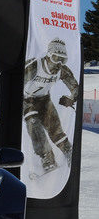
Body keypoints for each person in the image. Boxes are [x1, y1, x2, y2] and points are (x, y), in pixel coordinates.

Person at [23, 37, 78, 174]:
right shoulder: (35, 65)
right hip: (27, 99)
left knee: (55, 130)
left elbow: (76, 87)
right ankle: (47, 158)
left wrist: (71, 98)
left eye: (62, 60)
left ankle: (69, 152)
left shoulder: (62, 70)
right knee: (33, 123)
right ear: (48, 55)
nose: (58, 63)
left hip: (44, 100)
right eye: (55, 58)